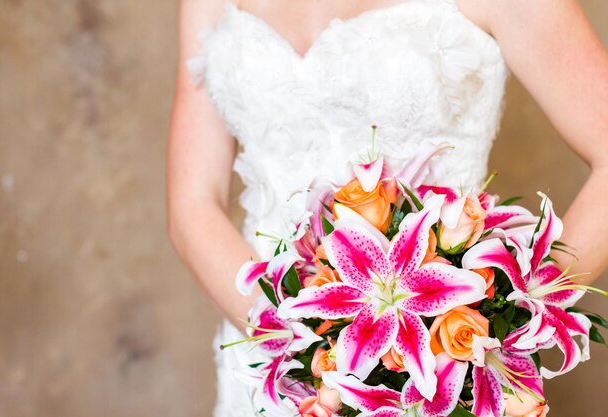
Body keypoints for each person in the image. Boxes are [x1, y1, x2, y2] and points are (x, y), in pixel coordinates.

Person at [166, 0, 608, 415]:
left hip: (428, 379)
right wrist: (297, 345)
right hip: (268, 359)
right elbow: (193, 201)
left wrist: (515, 315)